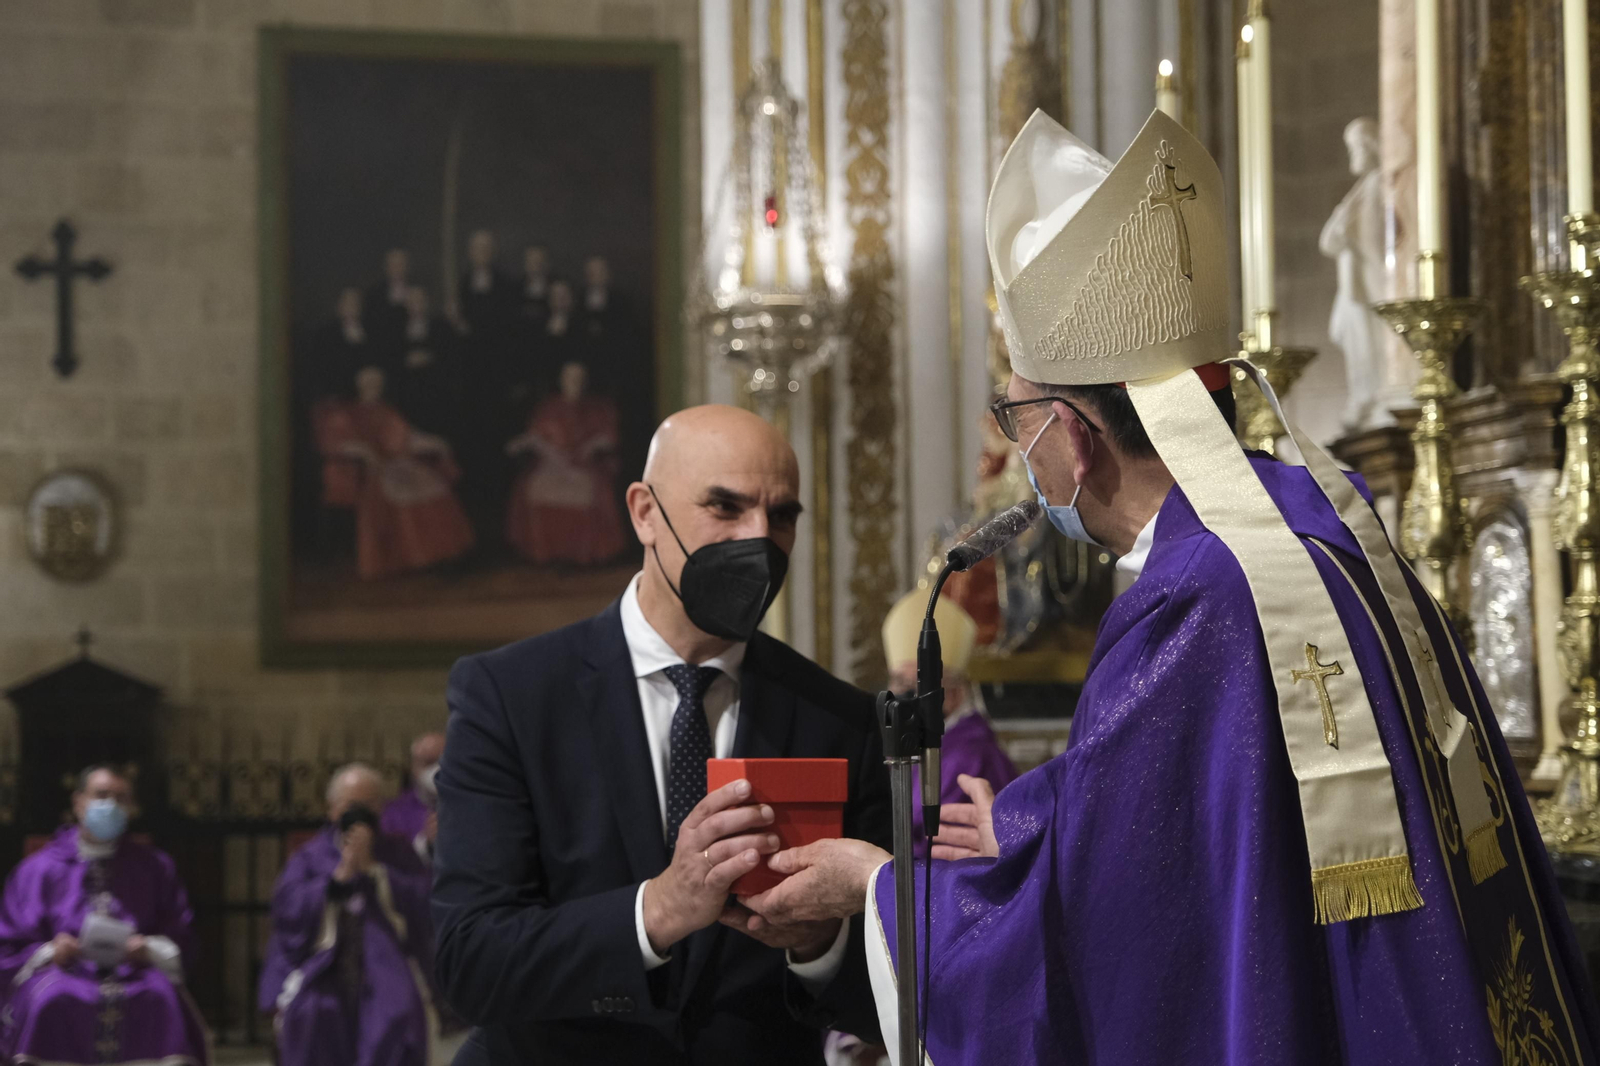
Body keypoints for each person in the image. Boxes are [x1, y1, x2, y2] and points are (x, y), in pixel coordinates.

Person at [742, 110, 1600, 1064]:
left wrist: (879, 894)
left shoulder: (1192, 600)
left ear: (1070, 433)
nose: (1015, 447)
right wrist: (1034, 820)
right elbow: (1218, 800)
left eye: (1015, 414)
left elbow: (1122, 941)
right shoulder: (1316, 519)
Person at [433, 404, 891, 1064]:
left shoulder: (839, 721)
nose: (758, 539)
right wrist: (659, 910)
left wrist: (820, 944)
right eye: (726, 507)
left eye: (782, 515)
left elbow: (883, 1002)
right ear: (645, 512)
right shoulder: (511, 697)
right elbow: (469, 962)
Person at [0, 766, 209, 1066]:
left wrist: (148, 949)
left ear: (131, 808)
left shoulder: (154, 866)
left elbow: (180, 929)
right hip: (61, 972)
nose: (110, 805)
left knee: (161, 997)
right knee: (50, 999)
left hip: (136, 971)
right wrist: (49, 951)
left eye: (120, 798)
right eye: (101, 795)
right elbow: (9, 942)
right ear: (78, 802)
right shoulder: (38, 869)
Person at [260, 763, 434, 1066]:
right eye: (352, 806)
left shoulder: (397, 851)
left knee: (397, 1012)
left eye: (370, 805)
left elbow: (424, 902)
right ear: (332, 810)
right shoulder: (310, 856)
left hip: (384, 962)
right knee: (313, 1012)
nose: (361, 814)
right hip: (322, 963)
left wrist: (374, 871)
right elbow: (287, 909)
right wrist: (338, 878)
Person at [879, 590, 1016, 845]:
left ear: (953, 690)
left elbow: (927, 835)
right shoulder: (897, 741)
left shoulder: (973, 755)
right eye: (900, 682)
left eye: (919, 684)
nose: (908, 696)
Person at [314, 366, 474, 579]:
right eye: (370, 384)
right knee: (401, 487)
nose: (375, 388)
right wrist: (364, 452)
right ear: (359, 385)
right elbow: (337, 443)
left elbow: (405, 436)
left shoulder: (386, 410)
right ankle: (405, 556)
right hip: (373, 469)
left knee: (434, 483)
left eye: (378, 384)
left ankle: (437, 554)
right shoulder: (346, 413)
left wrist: (434, 442)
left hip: (396, 461)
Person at [504, 361, 627, 566]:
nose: (574, 382)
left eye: (579, 378)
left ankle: (583, 554)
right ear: (561, 379)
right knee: (535, 487)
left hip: (585, 464)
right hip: (551, 462)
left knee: (587, 489)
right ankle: (546, 552)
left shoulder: (599, 407)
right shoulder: (548, 407)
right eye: (569, 377)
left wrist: (589, 449)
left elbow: (607, 438)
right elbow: (537, 437)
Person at [383, 732, 444, 866]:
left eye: (443, 762)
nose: (437, 770)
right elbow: (391, 863)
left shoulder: (470, 807)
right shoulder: (393, 814)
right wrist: (425, 843)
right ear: (413, 767)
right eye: (429, 763)